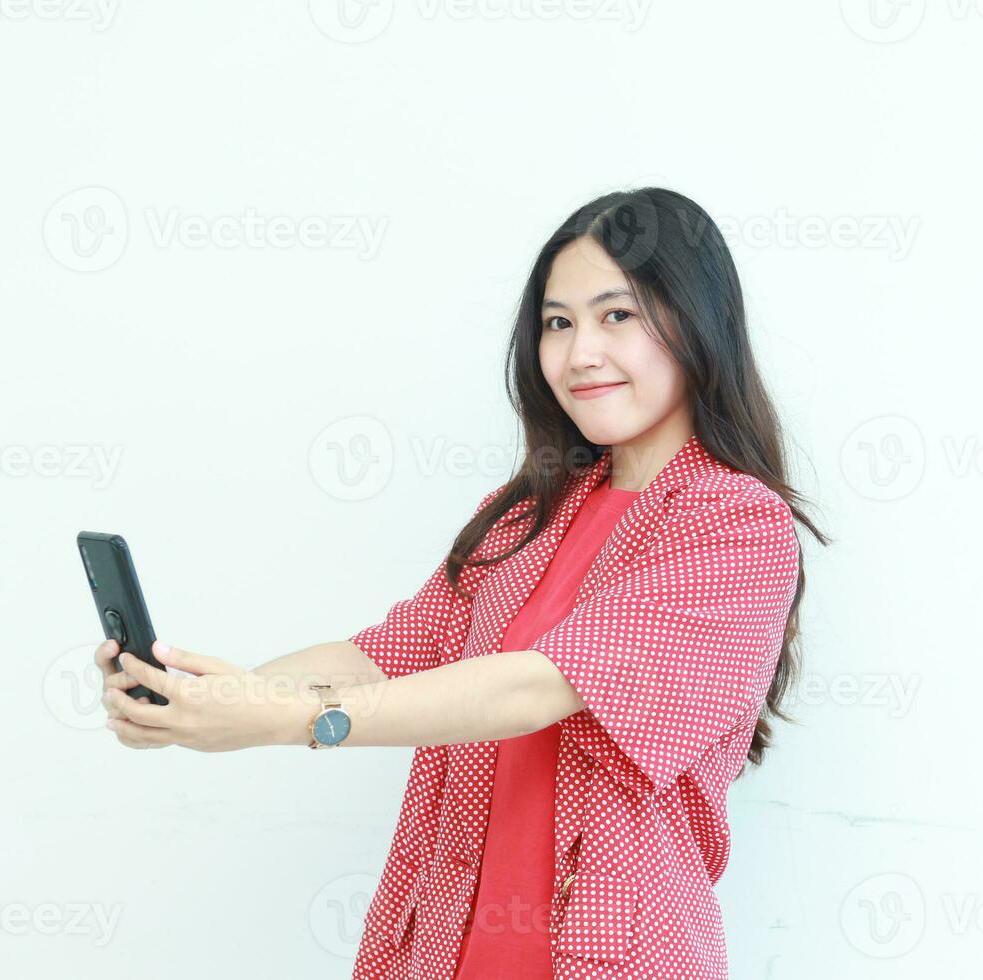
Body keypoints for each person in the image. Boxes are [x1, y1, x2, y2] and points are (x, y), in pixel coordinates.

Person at [96, 187, 829, 979]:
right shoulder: (522, 517)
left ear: (698, 320)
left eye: (618, 315)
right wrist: (212, 698)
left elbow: (535, 688)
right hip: (443, 952)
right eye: (558, 322)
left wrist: (285, 720)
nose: (580, 353)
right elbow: (383, 655)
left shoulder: (733, 524)